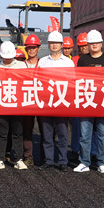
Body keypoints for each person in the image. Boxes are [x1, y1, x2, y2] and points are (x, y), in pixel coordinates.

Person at [74, 30, 104, 174]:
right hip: (87, 103)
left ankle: (102, 163)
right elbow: (78, 81)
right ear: (88, 45)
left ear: (101, 44)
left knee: (103, 135)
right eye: (92, 43)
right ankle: (84, 162)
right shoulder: (82, 60)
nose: (94, 45)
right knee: (84, 135)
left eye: (97, 43)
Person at [37, 31, 74, 171]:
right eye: (52, 43)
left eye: (57, 43)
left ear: (61, 45)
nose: (54, 45)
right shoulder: (42, 61)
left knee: (63, 134)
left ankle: (63, 161)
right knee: (47, 135)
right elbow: (38, 81)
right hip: (46, 103)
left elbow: (72, 82)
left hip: (62, 103)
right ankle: (49, 161)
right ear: (48, 44)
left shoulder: (68, 62)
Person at [0, 41, 28, 170]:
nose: (7, 59)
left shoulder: (21, 66)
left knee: (17, 133)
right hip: (2, 106)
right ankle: (0, 159)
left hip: (17, 105)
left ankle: (18, 159)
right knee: (2, 134)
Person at [21, 34, 41, 166]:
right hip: (26, 102)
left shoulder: (44, 64)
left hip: (42, 102)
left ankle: (45, 157)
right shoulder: (21, 65)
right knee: (27, 131)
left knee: (46, 131)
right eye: (29, 48)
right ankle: (28, 156)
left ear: (38, 48)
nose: (31, 50)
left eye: (34, 47)